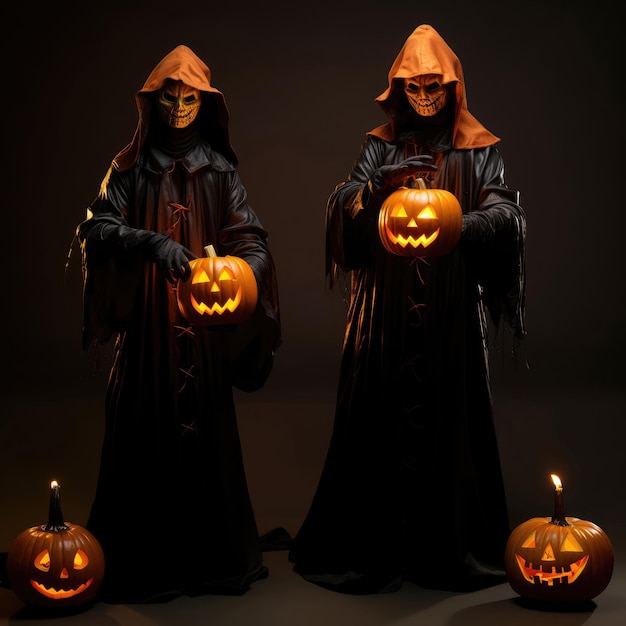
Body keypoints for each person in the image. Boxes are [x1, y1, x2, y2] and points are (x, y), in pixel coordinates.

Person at [289, 24, 526, 594]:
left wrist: (457, 226)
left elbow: (506, 213)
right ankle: (376, 542)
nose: (423, 98)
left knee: (451, 414)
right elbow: (344, 204)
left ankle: (446, 543)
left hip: (449, 310)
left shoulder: (480, 149)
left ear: (452, 89)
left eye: (432, 88)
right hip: (383, 310)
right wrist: (375, 190)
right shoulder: (379, 146)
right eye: (413, 88)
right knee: (378, 414)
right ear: (398, 89)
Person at [77, 45, 281, 603]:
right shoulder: (128, 170)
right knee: (144, 440)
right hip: (148, 340)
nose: (179, 106)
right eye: (169, 97)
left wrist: (236, 270)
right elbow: (96, 229)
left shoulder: (221, 172)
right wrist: (151, 243)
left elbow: (253, 241)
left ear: (205, 102)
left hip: (206, 341)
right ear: (153, 102)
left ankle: (212, 556)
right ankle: (148, 560)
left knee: (209, 446)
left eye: (189, 97)